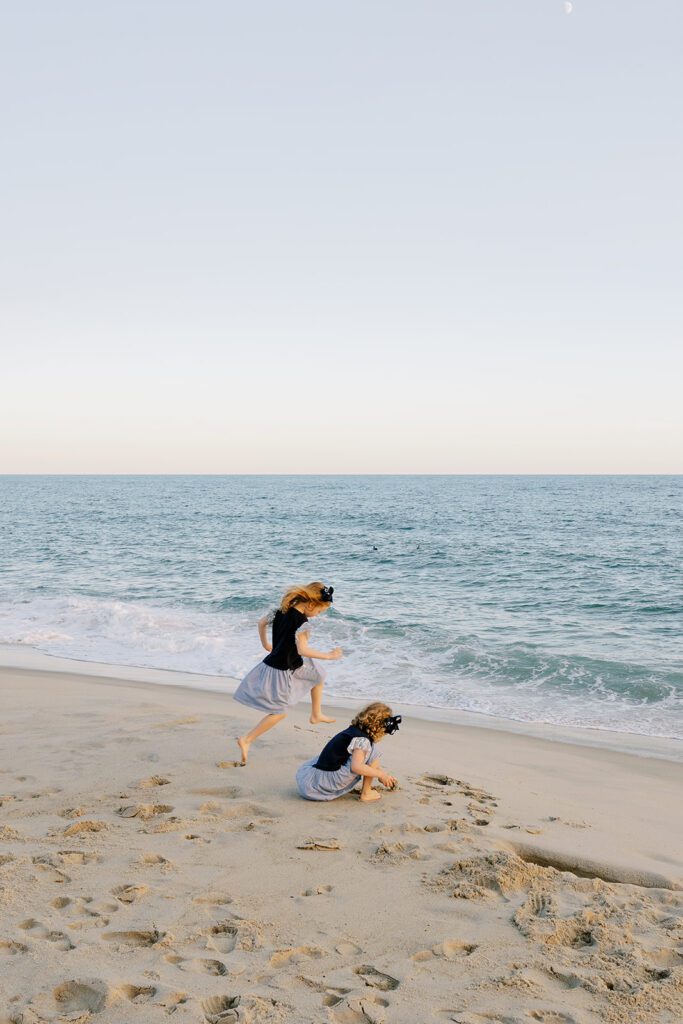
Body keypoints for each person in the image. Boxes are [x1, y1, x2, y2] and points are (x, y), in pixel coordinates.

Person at [233, 582, 342, 765]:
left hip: (283, 663)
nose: (317, 615)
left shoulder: (280, 610)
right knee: (280, 711)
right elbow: (302, 650)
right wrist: (328, 656)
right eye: (319, 611)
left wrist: (266, 645)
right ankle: (247, 740)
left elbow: (261, 623)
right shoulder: (303, 624)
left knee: (319, 674)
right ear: (310, 604)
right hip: (282, 670)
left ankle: (316, 714)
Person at [296, 702, 400, 803]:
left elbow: (364, 762)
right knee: (373, 751)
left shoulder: (352, 731)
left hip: (311, 783)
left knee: (367, 753)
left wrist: (382, 775)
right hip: (325, 783)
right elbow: (357, 767)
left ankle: (370, 787)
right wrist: (381, 774)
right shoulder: (363, 740)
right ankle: (366, 793)